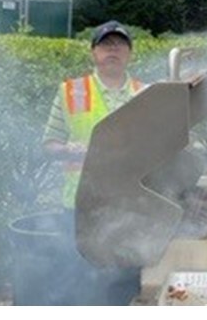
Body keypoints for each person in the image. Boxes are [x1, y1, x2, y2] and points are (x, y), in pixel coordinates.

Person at [42, 20, 144, 209]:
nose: (113, 50)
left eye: (120, 45)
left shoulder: (146, 94)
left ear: (130, 54)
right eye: (106, 44)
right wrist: (68, 150)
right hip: (81, 201)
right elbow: (50, 144)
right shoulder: (70, 91)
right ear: (93, 52)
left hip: (132, 203)